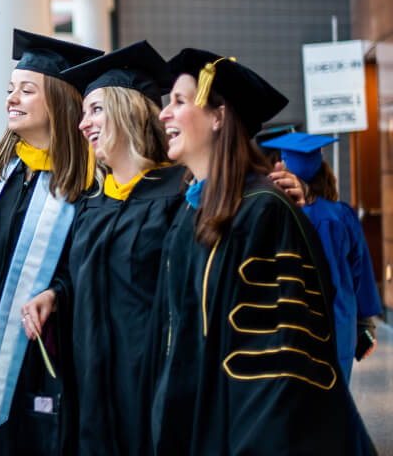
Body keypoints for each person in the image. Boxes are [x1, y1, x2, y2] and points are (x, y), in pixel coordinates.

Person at [149, 48, 374, 454]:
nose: (164, 113)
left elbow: (277, 358)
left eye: (180, 101)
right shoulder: (191, 213)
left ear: (219, 116)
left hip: (242, 434)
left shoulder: (263, 212)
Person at [20, 41, 184, 455]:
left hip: (148, 381)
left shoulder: (179, 195)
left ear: (129, 110)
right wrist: (55, 294)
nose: (81, 124)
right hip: (91, 379)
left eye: (95, 110)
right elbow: (86, 274)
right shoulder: (93, 202)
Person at [0, 29, 100, 456]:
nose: (11, 98)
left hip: (32, 356)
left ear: (61, 101)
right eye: (10, 89)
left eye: (26, 90)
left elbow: (83, 267)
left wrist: (57, 293)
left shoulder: (86, 184)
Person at [261, 131, 382, 381]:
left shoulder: (279, 213)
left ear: (284, 166)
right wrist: (365, 319)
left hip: (294, 321)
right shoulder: (342, 215)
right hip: (340, 321)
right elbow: (361, 271)